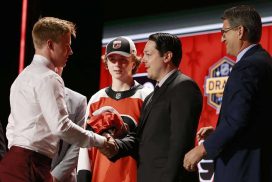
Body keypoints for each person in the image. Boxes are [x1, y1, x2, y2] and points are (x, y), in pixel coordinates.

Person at [0, 17, 107, 182]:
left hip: (13, 162)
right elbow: (61, 127)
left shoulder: (21, 78)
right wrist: (100, 141)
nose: (70, 51)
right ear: (50, 45)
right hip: (31, 165)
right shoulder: (50, 77)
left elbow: (11, 126)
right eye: (66, 45)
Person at [183, 5, 272, 182]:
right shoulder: (265, 62)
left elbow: (237, 120)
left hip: (242, 170)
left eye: (225, 32)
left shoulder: (246, 66)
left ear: (240, 31)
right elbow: (253, 119)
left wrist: (202, 149)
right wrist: (217, 133)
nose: (222, 39)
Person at [101, 33, 203, 182]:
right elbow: (140, 139)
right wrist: (116, 146)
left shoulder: (184, 87)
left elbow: (179, 146)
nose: (143, 60)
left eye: (148, 54)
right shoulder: (151, 96)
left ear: (167, 56)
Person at [77, 36, 152, 182]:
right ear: (106, 63)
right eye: (112, 59)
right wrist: (83, 177)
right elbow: (86, 147)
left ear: (134, 61)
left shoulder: (146, 96)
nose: (117, 64)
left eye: (123, 59)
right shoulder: (96, 99)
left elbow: (150, 144)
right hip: (100, 177)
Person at [51, 67, 87, 182]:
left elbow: (79, 143)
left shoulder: (78, 100)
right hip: (31, 173)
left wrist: (57, 175)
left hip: (63, 178)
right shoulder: (29, 95)